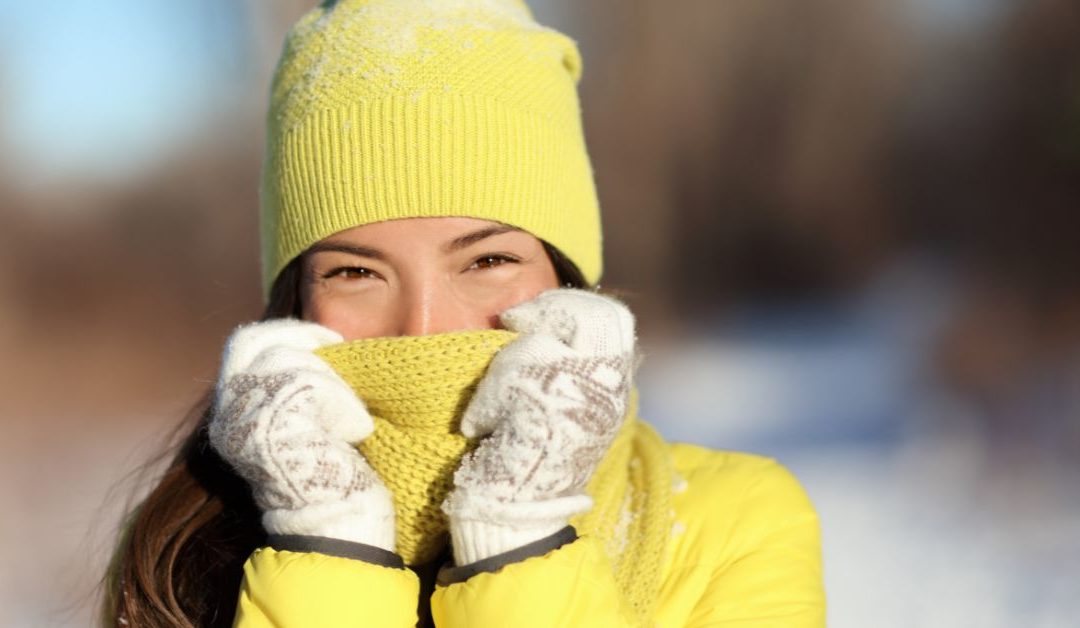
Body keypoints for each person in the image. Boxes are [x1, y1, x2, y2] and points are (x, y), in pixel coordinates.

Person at [104, 1, 825, 626]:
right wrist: (324, 541)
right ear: (295, 299)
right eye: (356, 271)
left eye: (486, 261)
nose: (424, 326)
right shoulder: (181, 545)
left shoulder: (734, 521)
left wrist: (514, 536)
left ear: (566, 276)